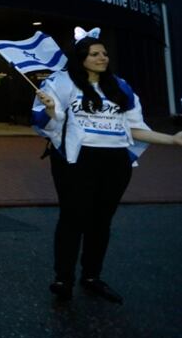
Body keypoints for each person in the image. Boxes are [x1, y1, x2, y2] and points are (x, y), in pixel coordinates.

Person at [33, 27, 182, 303]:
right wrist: (52, 108)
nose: (103, 58)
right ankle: (63, 279)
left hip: (114, 162)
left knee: (101, 221)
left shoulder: (120, 86)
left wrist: (172, 140)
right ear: (81, 58)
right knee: (72, 218)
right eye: (95, 54)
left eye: (104, 53)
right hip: (75, 160)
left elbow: (135, 129)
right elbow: (50, 123)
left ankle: (92, 277)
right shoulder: (62, 83)